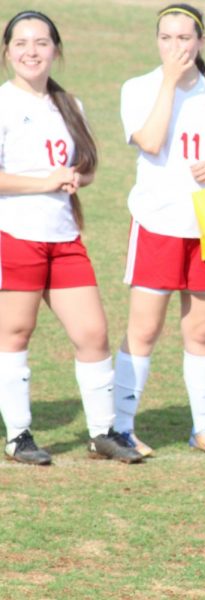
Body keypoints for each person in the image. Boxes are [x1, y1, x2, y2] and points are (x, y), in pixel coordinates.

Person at [0, 11, 142, 465]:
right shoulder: (3, 103)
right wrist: (45, 181)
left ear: (56, 50)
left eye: (41, 43)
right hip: (16, 234)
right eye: (20, 43)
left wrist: (77, 177)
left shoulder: (68, 104)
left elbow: (88, 167)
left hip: (64, 238)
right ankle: (19, 436)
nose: (31, 52)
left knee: (92, 333)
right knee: (16, 332)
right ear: (7, 53)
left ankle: (102, 432)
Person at [114, 3, 205, 457]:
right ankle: (122, 425)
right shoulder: (138, 88)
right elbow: (151, 141)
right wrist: (170, 84)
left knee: (201, 332)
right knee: (144, 331)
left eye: (185, 38)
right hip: (158, 223)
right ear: (157, 41)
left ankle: (202, 427)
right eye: (167, 38)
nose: (176, 47)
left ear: (202, 40)